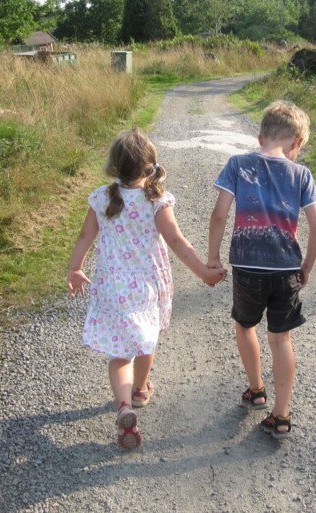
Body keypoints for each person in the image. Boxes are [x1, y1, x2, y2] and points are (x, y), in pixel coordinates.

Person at [67, 128, 227, 450]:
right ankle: (140, 390)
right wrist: (203, 273)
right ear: (149, 166)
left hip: (112, 286)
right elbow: (177, 242)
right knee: (145, 338)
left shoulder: (101, 198)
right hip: (146, 286)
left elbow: (85, 237)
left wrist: (75, 269)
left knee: (119, 352)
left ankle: (123, 404)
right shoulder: (156, 200)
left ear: (114, 167)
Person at [207, 100, 316, 440]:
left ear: (261, 137)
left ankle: (256, 390)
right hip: (286, 267)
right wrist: (307, 267)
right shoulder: (301, 174)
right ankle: (281, 414)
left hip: (246, 265)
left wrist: (213, 259)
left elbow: (219, 215)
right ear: (297, 142)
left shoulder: (237, 164)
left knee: (245, 325)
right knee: (281, 337)